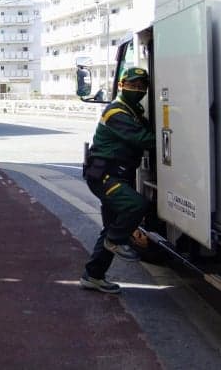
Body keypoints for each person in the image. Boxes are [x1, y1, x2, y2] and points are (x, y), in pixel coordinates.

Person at [80, 67, 155, 294]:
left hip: (116, 174)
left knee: (111, 227)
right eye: (132, 85)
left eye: (142, 86)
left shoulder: (133, 110)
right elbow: (143, 139)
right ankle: (115, 240)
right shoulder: (116, 112)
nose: (138, 90)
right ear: (121, 85)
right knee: (136, 205)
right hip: (105, 176)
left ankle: (93, 276)